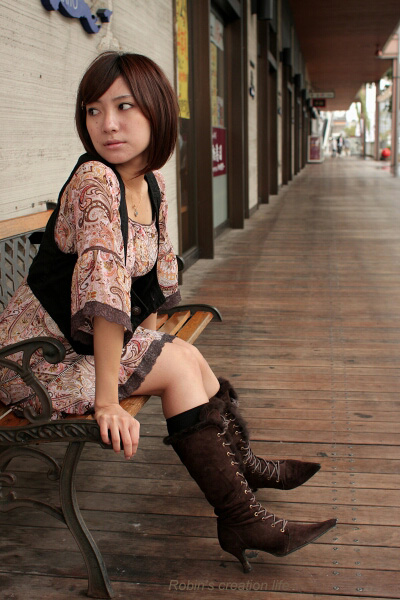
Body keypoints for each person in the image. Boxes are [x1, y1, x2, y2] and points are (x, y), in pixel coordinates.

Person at [0, 51, 336, 571]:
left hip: (76, 343)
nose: (107, 124)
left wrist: (154, 343)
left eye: (124, 106)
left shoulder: (150, 181)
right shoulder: (95, 182)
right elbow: (104, 294)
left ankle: (244, 469)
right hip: (35, 361)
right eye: (93, 110)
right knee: (178, 366)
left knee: (186, 356)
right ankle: (240, 513)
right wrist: (108, 402)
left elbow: (153, 279)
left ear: (156, 109)